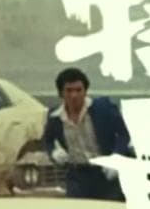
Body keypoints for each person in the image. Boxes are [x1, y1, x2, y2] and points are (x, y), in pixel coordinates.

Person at [43, 68, 131, 200]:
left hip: (105, 173)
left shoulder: (103, 108)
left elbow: (124, 133)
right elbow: (47, 140)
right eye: (69, 90)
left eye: (78, 90)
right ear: (61, 93)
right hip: (77, 176)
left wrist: (116, 157)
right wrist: (54, 152)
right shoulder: (55, 116)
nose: (74, 95)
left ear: (85, 91)